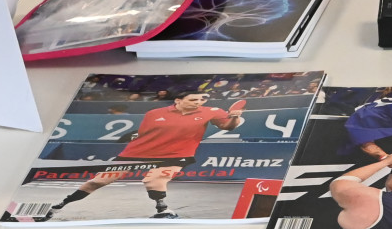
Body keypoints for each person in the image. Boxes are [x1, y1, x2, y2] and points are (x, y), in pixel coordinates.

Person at [40, 92, 246, 220]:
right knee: (97, 182)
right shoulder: (154, 113)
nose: (198, 102)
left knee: (154, 180)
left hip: (177, 155)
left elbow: (228, 127)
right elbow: (143, 134)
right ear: (178, 100)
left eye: (202, 99)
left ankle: (163, 210)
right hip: (137, 153)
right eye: (193, 99)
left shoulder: (212, 111)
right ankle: (58, 206)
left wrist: (235, 118)